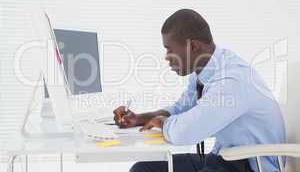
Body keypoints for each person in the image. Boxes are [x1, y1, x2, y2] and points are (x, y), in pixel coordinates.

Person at [113, 9, 286, 172]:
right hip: (224, 158)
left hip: (248, 166)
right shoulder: (206, 70)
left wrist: (163, 122)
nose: (166, 57)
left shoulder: (232, 80)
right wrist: (140, 119)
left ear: (193, 47)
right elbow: (182, 108)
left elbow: (185, 132)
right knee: (143, 169)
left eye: (169, 49)